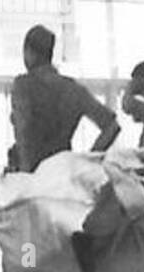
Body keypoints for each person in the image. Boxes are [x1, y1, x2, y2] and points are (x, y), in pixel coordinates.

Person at [9, 24, 119, 172]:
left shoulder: (23, 85)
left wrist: (26, 177)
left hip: (33, 174)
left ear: (29, 52)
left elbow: (24, 132)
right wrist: (86, 162)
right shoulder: (73, 89)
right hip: (63, 174)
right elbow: (112, 126)